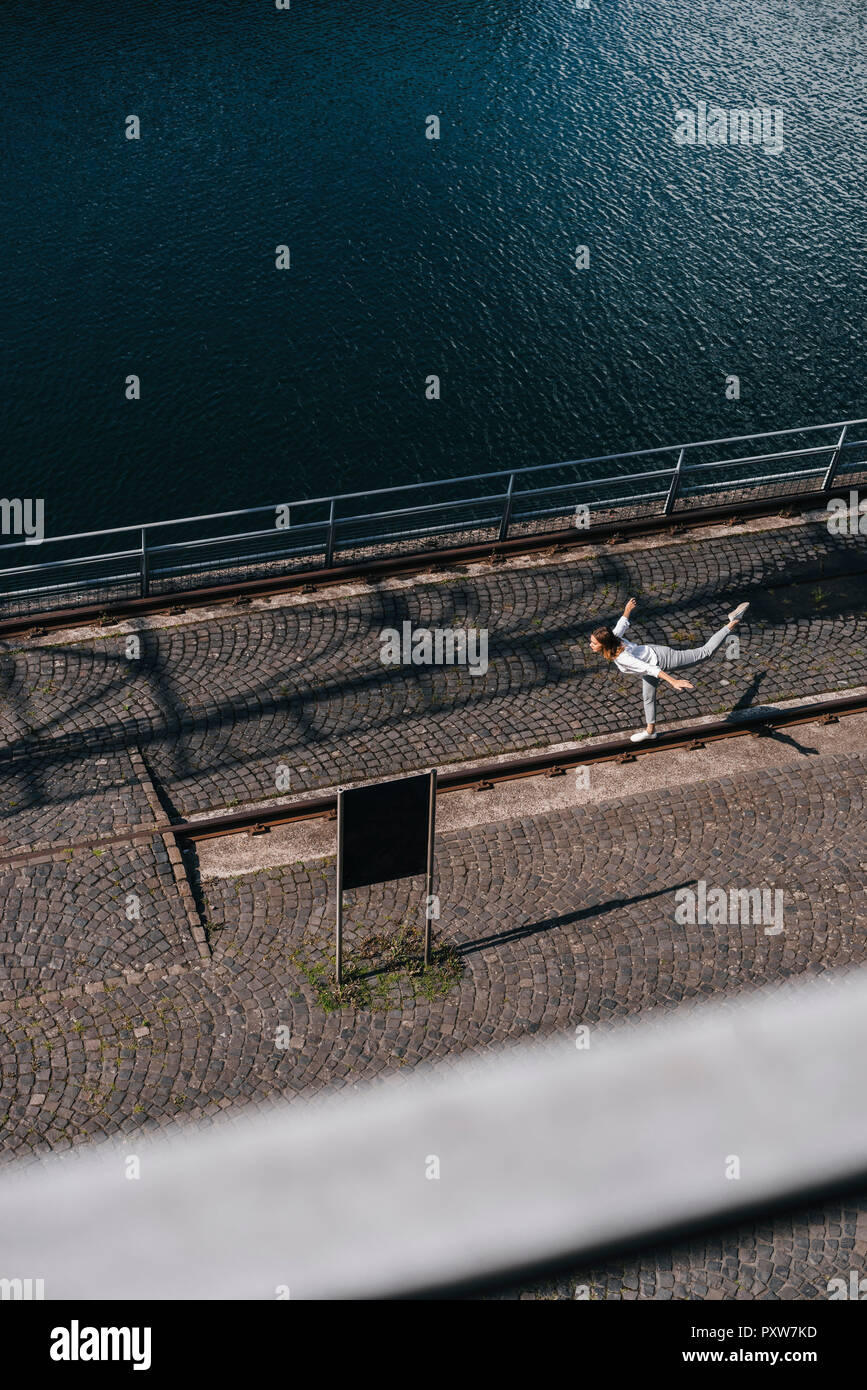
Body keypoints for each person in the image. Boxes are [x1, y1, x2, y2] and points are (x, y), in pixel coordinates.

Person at [589, 596, 749, 742]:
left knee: (704, 653)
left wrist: (673, 681)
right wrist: (627, 609)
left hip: (662, 659)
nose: (591, 645)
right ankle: (650, 732)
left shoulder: (623, 657)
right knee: (648, 697)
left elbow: (650, 669)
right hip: (650, 656)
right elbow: (621, 624)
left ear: (605, 644)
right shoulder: (614, 638)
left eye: (594, 643)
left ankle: (731, 623)